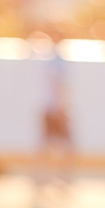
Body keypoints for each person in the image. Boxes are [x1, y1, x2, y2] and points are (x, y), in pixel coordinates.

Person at [36, 33, 75, 189]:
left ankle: (41, 175)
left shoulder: (48, 60)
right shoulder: (59, 62)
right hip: (56, 109)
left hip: (48, 107)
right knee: (68, 144)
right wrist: (61, 108)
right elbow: (58, 85)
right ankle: (63, 175)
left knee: (45, 144)